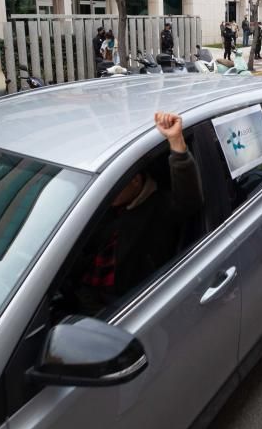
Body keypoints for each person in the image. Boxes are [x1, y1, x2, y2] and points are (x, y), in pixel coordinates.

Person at [76, 112, 205, 314]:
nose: (109, 192)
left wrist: (176, 142)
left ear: (136, 180)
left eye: (117, 185)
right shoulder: (100, 204)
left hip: (122, 304)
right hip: (82, 291)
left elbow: (189, 200)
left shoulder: (161, 206)